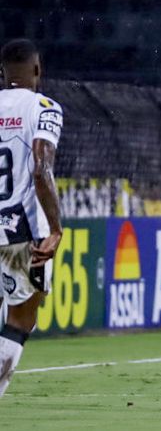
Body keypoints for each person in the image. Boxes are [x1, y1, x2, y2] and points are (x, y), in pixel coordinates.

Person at [0, 39, 63, 398]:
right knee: (20, 319)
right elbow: (41, 167)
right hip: (22, 230)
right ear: (37, 70)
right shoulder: (44, 107)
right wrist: (55, 228)